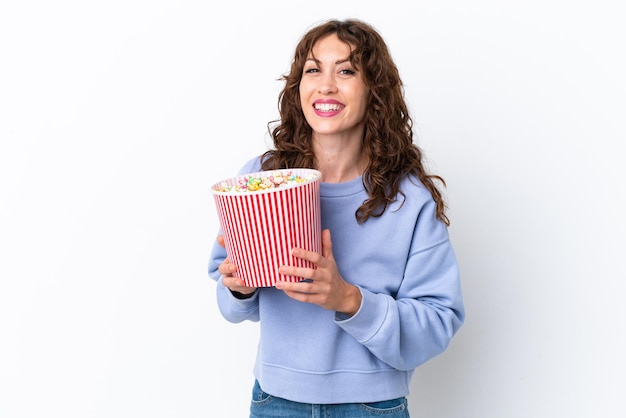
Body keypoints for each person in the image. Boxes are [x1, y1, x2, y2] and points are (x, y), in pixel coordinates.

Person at [208, 18, 465, 418]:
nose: (326, 85)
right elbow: (229, 299)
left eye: (346, 70)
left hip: (372, 406)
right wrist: (239, 287)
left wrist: (348, 299)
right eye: (313, 70)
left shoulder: (408, 199)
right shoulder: (260, 180)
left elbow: (438, 320)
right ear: (298, 87)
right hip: (274, 401)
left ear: (374, 90)